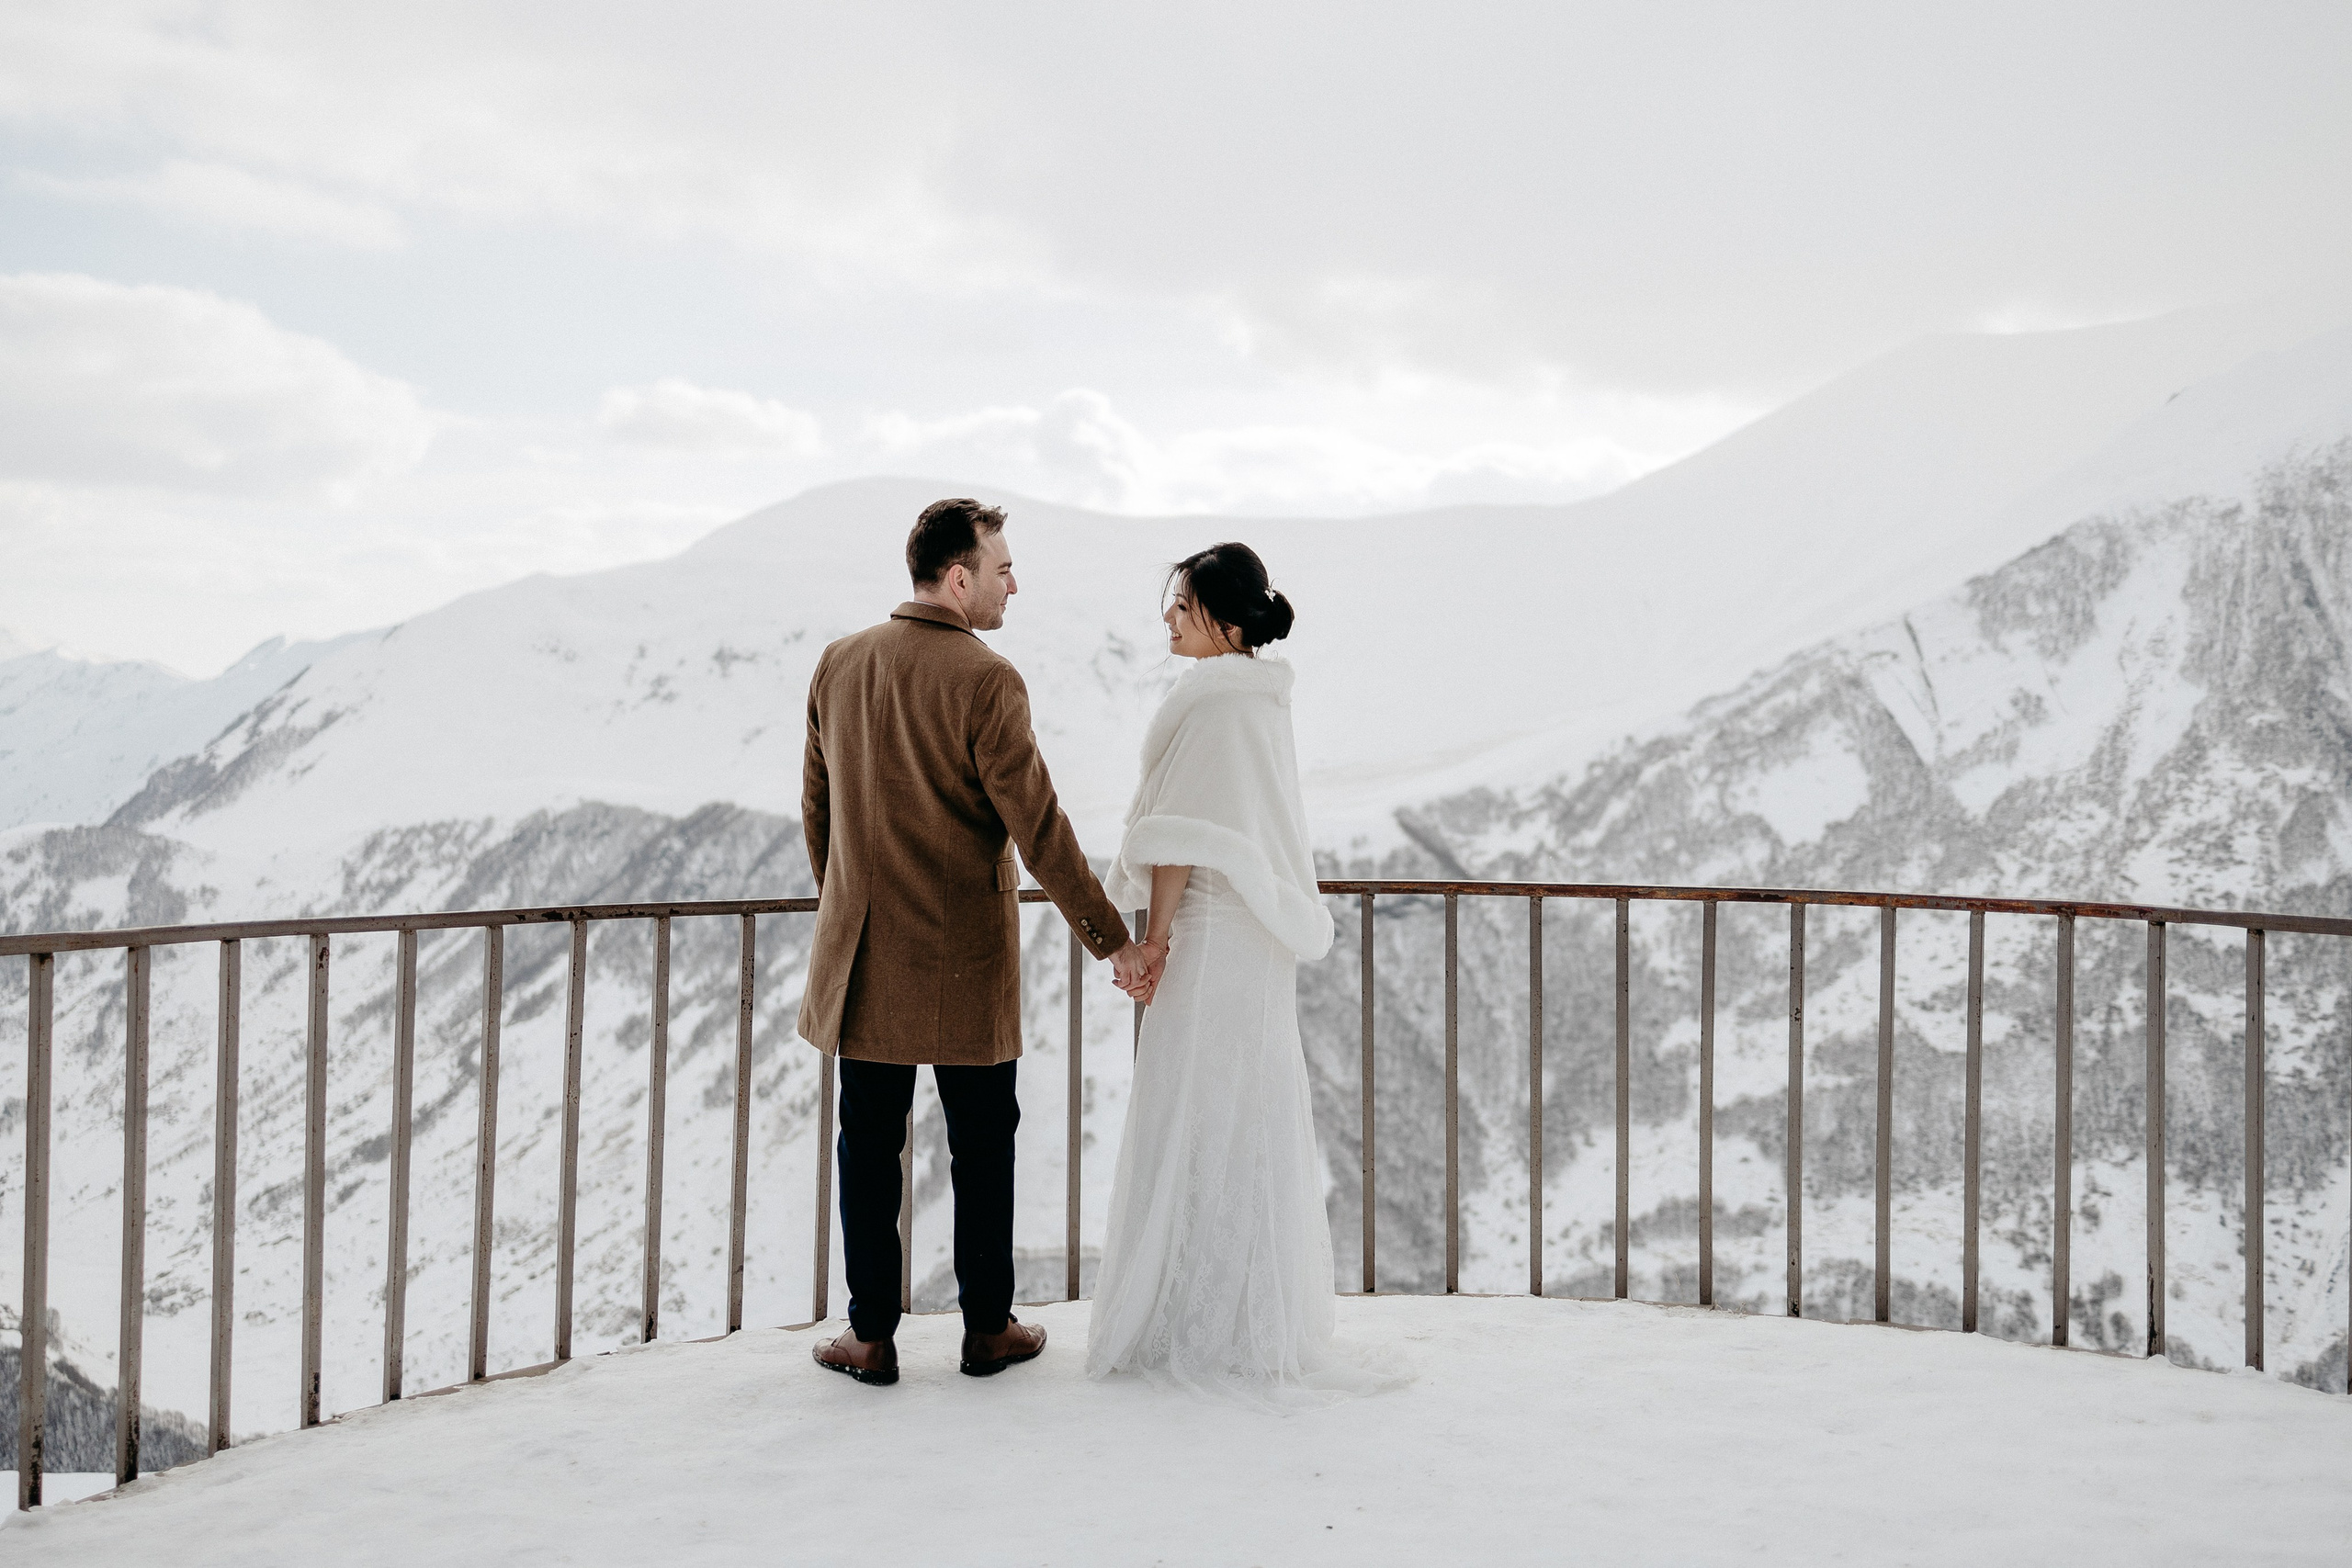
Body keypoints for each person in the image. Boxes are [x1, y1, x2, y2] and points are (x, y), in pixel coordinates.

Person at [800, 497, 1154, 1386]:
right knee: (982, 1149)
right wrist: (1111, 939)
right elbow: (1036, 825)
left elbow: (820, 813)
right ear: (958, 577)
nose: (1013, 583)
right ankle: (986, 1330)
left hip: (865, 958)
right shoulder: (986, 678)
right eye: (1002, 568)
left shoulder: (839, 664)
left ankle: (870, 1337)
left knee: (867, 1152)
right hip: (963, 957)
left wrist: (846, 903)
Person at [1089, 542, 1408, 1407]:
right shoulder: (1261, 700)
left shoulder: (1216, 698)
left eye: (1184, 606)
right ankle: (1245, 1316)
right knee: (1245, 1112)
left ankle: (1191, 1316)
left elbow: (1177, 833)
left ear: (1225, 623)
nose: (1169, 617)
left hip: (1211, 933)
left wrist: (1152, 942)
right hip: (1254, 939)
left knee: (1189, 1105)